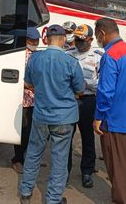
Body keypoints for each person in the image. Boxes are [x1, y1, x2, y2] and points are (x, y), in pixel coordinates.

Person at [19, 24, 85, 204]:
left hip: (40, 115)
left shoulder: (35, 59)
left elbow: (27, 83)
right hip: (64, 117)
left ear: (46, 39)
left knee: (33, 153)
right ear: (63, 40)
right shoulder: (71, 62)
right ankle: (53, 199)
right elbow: (80, 89)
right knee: (59, 159)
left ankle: (25, 193)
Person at [93, 18, 126, 204]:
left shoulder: (111, 55)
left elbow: (105, 92)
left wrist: (98, 117)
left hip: (116, 121)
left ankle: (122, 200)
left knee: (118, 167)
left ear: (102, 33)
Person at [66, 24, 101, 188]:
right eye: (77, 39)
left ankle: (87, 171)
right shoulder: (68, 54)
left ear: (91, 39)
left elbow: (102, 83)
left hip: (88, 100)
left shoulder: (99, 56)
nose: (79, 43)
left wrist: (84, 83)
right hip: (71, 100)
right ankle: (64, 172)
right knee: (67, 137)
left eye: (82, 40)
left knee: (88, 137)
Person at [11, 27, 41, 174]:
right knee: (22, 132)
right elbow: (15, 76)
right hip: (23, 100)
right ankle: (17, 159)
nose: (34, 43)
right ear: (25, 40)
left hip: (37, 100)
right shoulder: (18, 56)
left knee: (35, 132)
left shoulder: (39, 55)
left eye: (36, 40)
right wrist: (28, 85)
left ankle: (31, 158)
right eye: (31, 40)